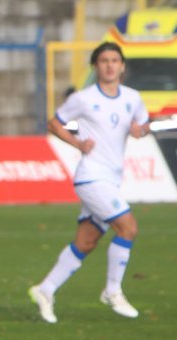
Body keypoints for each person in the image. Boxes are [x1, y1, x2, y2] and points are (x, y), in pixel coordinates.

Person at [29, 42, 149, 323]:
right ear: (96, 66)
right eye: (104, 60)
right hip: (90, 177)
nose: (110, 65)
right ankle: (112, 291)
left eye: (115, 60)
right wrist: (78, 143)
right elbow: (54, 123)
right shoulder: (83, 98)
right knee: (128, 227)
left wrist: (139, 130)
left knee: (86, 242)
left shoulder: (132, 97)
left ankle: (45, 290)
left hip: (111, 179)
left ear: (122, 66)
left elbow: (142, 126)